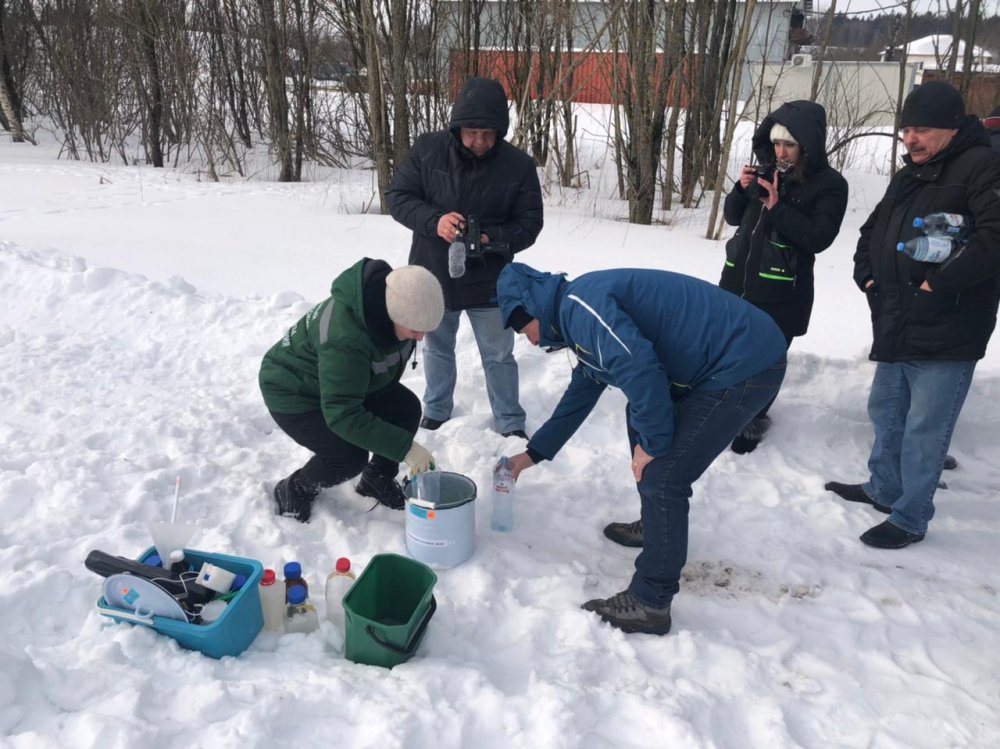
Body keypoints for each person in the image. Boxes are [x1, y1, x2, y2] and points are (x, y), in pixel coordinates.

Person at [496, 262, 788, 635]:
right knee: (642, 416)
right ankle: (656, 527)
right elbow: (580, 396)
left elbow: (640, 369)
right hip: (727, 356)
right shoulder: (575, 315)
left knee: (664, 476)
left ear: (533, 310)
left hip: (744, 363)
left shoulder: (582, 308)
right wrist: (532, 454)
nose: (530, 340)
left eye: (524, 329)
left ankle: (650, 602)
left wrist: (653, 446)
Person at [825, 80, 1000, 549]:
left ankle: (910, 516)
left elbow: (993, 238)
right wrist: (867, 273)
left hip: (949, 325)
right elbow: (874, 228)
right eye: (905, 131)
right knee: (886, 409)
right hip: (899, 317)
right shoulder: (910, 174)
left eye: (920, 130)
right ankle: (883, 488)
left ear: (950, 128)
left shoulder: (981, 166)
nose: (910, 140)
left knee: (926, 428)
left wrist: (935, 283)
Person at [387, 76, 543, 440]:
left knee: (499, 354)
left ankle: (509, 420)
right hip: (434, 274)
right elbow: (398, 196)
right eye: (472, 132)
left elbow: (531, 224)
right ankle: (437, 410)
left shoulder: (518, 166)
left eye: (488, 134)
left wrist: (493, 238)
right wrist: (434, 221)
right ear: (457, 126)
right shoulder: (428, 150)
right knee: (437, 348)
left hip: (490, 278)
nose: (479, 141)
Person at [259, 259, 443, 522]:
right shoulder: (346, 339)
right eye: (415, 330)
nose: (421, 338)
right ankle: (296, 487)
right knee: (347, 457)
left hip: (345, 381)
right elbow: (343, 414)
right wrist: (405, 449)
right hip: (293, 390)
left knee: (405, 409)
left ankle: (376, 478)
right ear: (394, 315)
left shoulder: (394, 310)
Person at [720, 100, 848, 453]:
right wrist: (741, 189)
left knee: (767, 357)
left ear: (808, 145)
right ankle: (722, 407)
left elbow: (818, 238)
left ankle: (753, 420)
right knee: (728, 350)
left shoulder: (830, 185)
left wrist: (777, 208)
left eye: (789, 144)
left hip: (782, 292)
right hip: (737, 280)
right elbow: (732, 218)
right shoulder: (765, 170)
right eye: (776, 143)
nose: (780, 151)